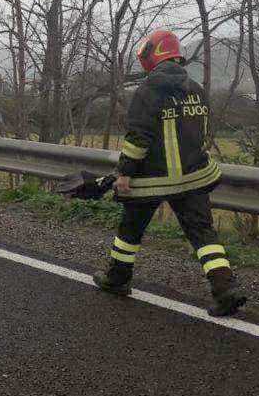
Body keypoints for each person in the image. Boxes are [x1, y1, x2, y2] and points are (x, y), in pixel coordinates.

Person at [94, 29, 247, 317]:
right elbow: (202, 133)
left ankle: (117, 279)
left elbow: (138, 138)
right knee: (203, 234)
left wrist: (124, 173)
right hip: (193, 177)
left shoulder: (148, 91)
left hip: (152, 179)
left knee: (130, 230)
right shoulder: (196, 89)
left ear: (153, 54)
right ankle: (225, 289)